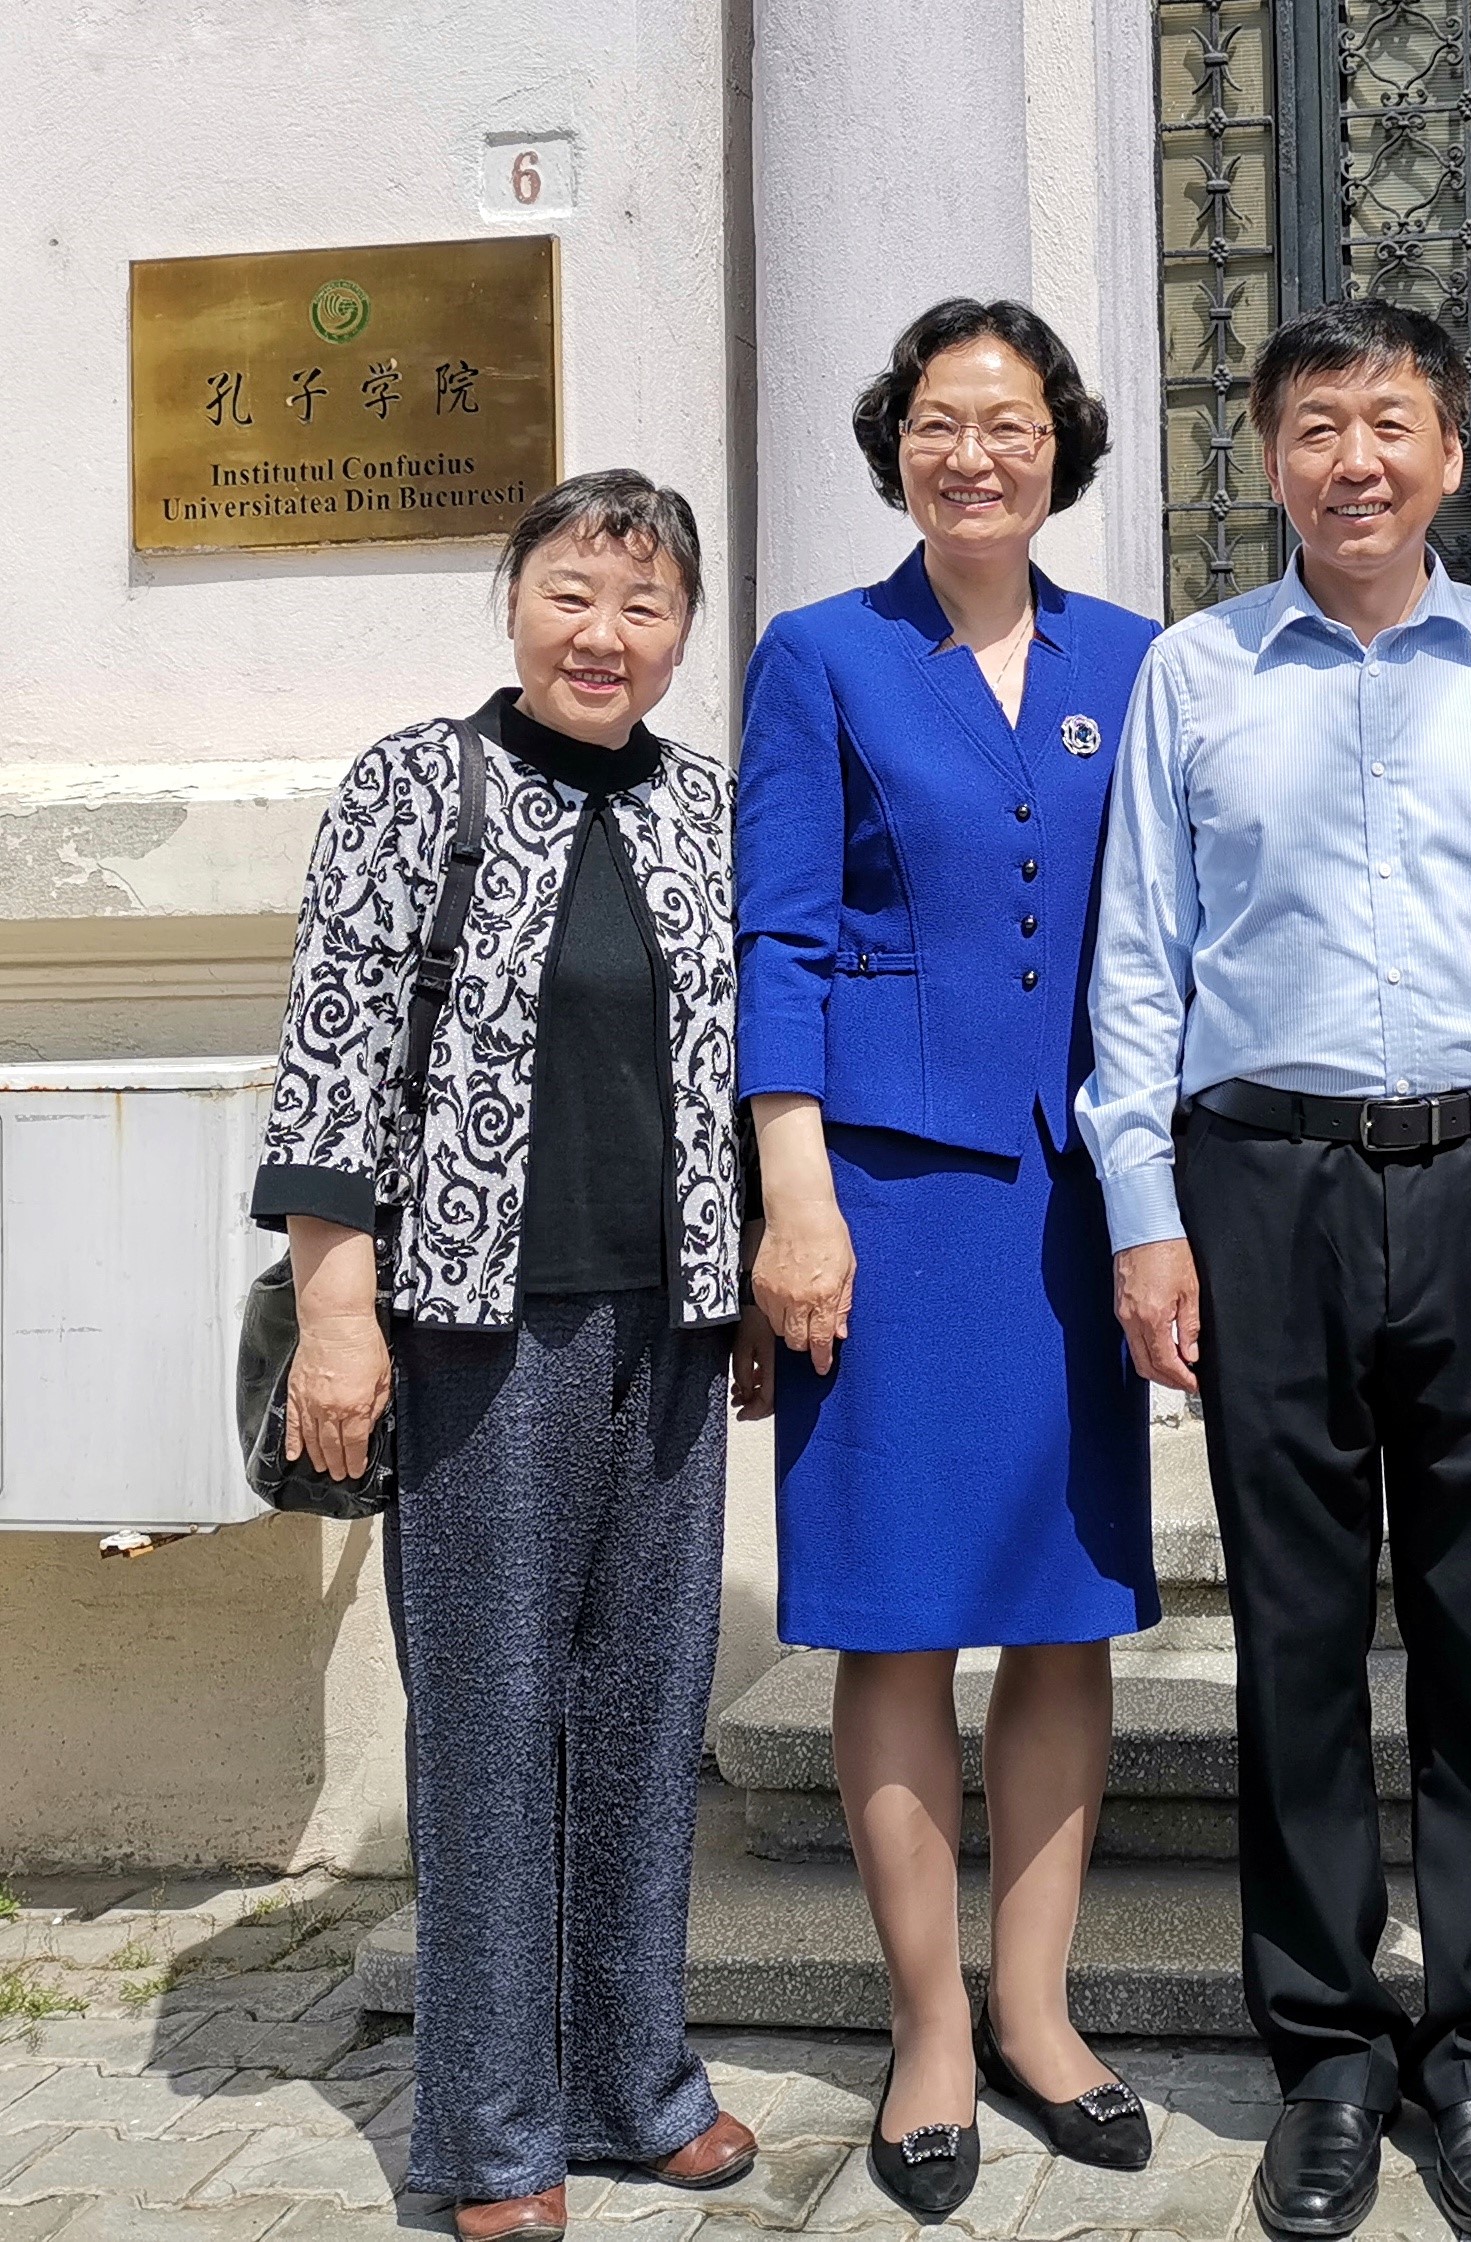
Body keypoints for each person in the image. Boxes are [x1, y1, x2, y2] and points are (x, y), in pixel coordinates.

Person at [1081, 296, 1471, 2241]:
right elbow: (1141, 965)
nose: (1354, 457)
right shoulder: (1194, 672)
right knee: (1301, 1637)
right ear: (1267, 459)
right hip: (1266, 1184)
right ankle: (1326, 2048)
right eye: (1317, 423)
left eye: (1390, 421)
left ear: (1450, 453)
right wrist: (1147, 1214)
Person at [254, 471, 758, 2242]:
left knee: (639, 1716)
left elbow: (740, 1070)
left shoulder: (708, 811)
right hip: (477, 1329)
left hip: (674, 1328)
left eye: (643, 604)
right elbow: (333, 1055)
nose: (603, 633)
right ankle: (485, 2127)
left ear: (683, 630)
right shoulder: (420, 785)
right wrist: (337, 1307)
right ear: (514, 601)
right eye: (571, 592)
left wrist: (760, 1275)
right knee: (485, 1728)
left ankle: (637, 2083)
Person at [736, 299, 1163, 2217]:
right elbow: (783, 939)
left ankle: (1038, 2009)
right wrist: (793, 1189)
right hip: (886, 1204)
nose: (970, 453)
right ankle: (924, 2026)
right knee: (899, 1612)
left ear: (1060, 447)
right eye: (934, 420)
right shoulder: (822, 655)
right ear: (894, 445)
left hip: (1072, 1196)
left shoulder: (1138, 662)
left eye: (1004, 422)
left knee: (1062, 1612)